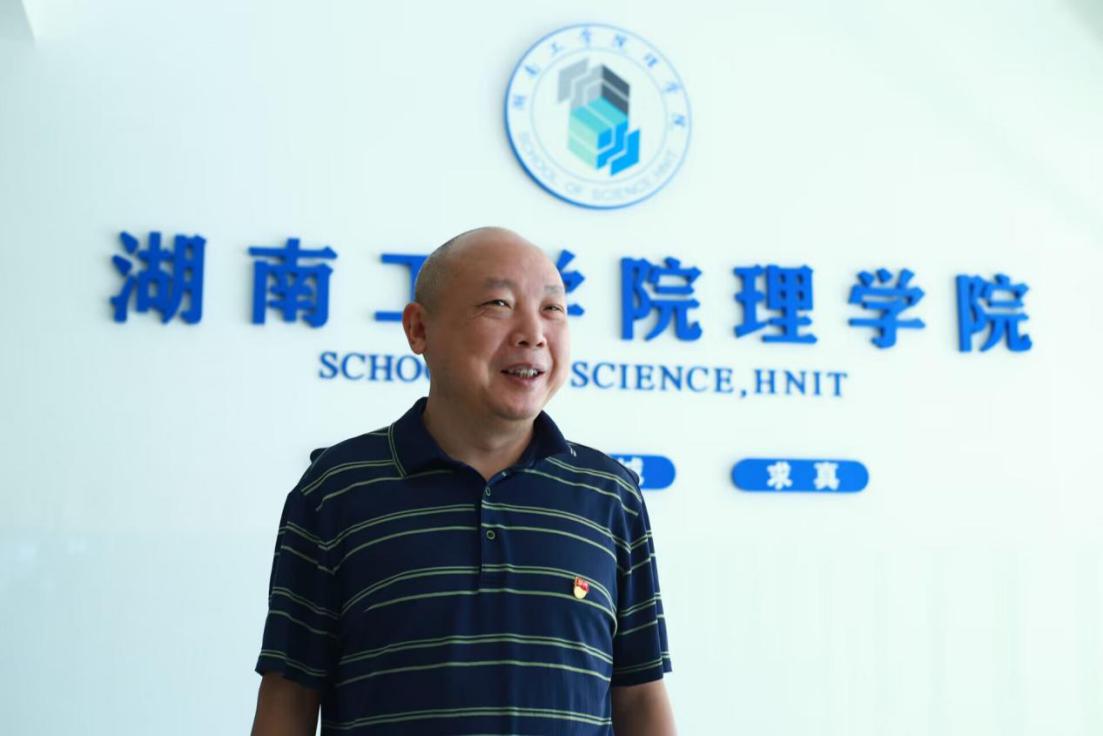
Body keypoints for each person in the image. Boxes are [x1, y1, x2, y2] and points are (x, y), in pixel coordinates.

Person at [250, 227, 676, 735]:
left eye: (552, 309)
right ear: (419, 330)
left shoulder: (610, 495)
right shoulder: (336, 489)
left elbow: (640, 696)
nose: (533, 334)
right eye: (498, 304)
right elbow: (288, 697)